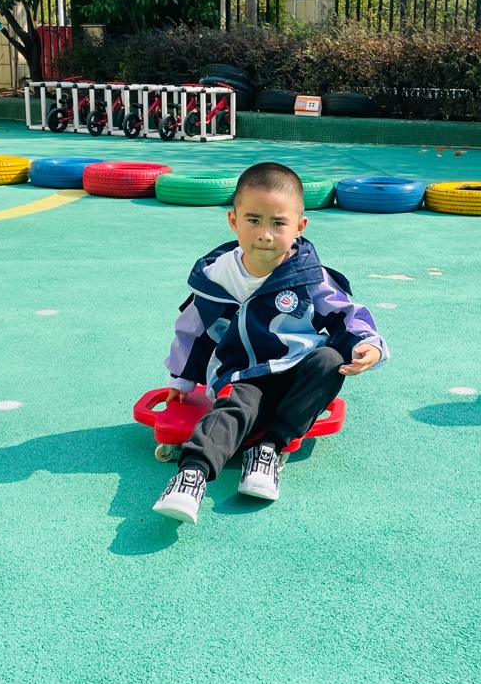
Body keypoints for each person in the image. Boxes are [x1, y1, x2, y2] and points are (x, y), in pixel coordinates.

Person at [152, 162, 388, 522]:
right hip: (242, 374)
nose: (265, 234)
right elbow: (191, 329)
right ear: (233, 221)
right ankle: (191, 476)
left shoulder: (309, 277)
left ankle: (268, 448)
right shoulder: (215, 278)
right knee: (234, 407)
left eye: (278, 223)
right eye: (253, 220)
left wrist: (368, 345)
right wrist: (180, 381)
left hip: (297, 370)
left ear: (299, 227)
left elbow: (346, 315)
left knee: (328, 360)